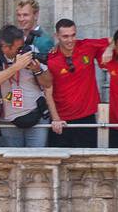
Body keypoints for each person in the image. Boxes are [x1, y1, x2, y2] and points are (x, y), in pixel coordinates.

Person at [0, 24, 56, 148]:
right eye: (18, 49)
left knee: (37, 162)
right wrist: (17, 66)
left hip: (36, 114)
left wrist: (37, 70)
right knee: (13, 161)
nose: (21, 51)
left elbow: (48, 83)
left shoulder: (30, 49)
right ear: (5, 47)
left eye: (22, 46)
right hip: (9, 119)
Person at [46, 18, 109, 147]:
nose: (70, 40)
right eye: (65, 36)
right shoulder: (51, 59)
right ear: (57, 36)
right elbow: (48, 91)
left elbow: (114, 40)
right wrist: (55, 118)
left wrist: (110, 49)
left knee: (87, 162)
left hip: (86, 118)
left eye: (73, 35)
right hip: (62, 120)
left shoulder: (87, 46)